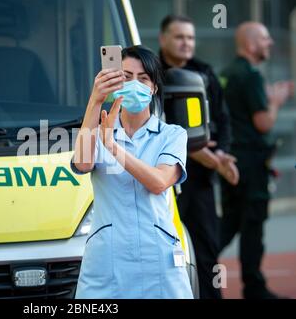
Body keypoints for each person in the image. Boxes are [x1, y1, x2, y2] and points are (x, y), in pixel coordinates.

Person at [71, 45, 193, 299]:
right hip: (107, 260)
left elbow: (159, 182)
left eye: (144, 78)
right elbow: (82, 163)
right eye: (126, 77)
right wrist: (95, 99)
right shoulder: (97, 130)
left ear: (154, 88)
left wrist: (113, 147)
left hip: (158, 259)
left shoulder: (172, 135)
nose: (135, 84)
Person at [158, 15, 239, 299]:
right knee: (165, 250)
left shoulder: (205, 72)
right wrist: (197, 152)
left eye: (190, 38)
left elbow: (222, 119)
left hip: (202, 180)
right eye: (179, 37)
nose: (186, 43)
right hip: (163, 177)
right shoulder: (150, 73)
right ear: (163, 39)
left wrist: (221, 156)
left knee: (206, 250)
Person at [219, 22, 294, 299]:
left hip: (232, 161)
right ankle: (254, 288)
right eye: (264, 38)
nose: (270, 43)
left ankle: (202, 267)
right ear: (250, 44)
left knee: (230, 222)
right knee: (251, 225)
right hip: (250, 165)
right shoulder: (250, 76)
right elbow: (263, 123)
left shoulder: (227, 74)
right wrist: (276, 100)